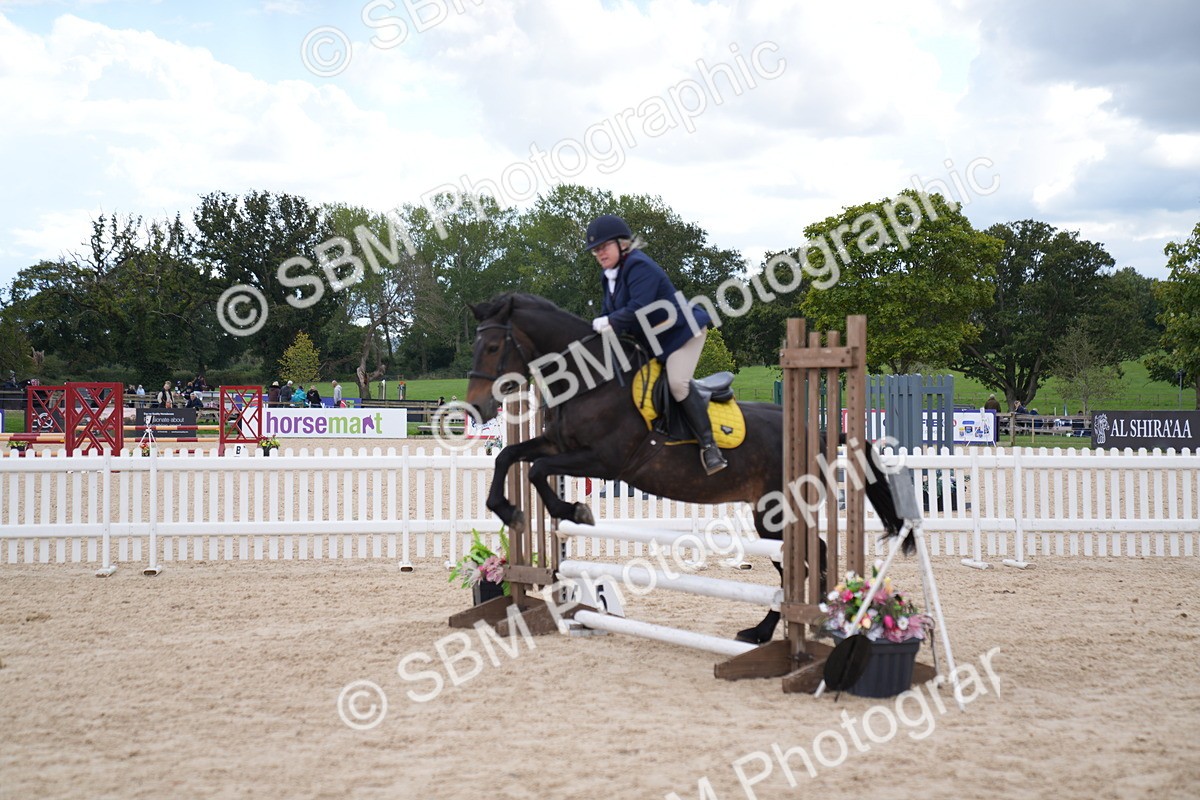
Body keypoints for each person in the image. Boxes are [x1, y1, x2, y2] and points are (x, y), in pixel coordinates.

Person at [584, 213, 726, 475]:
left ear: (622, 243)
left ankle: (710, 447)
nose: (599, 254)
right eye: (595, 250)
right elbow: (608, 314)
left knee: (676, 383)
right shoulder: (609, 277)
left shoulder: (639, 266)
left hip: (683, 334)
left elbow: (640, 308)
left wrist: (609, 321)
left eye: (603, 247)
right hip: (654, 342)